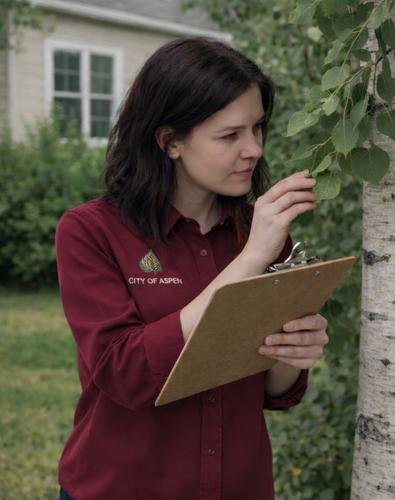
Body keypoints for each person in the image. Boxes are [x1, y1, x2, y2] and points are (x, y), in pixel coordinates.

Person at [55, 36, 329, 500]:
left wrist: (292, 353)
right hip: (121, 487)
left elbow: (271, 391)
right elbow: (125, 374)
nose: (254, 149)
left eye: (257, 128)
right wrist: (250, 261)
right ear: (170, 141)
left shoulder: (258, 234)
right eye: (230, 135)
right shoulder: (90, 231)